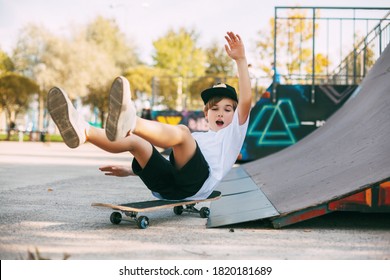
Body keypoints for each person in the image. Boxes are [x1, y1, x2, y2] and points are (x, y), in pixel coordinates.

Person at [47, 31, 252, 200]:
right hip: (166, 189)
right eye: (215, 109)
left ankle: (131, 121)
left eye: (227, 110)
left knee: (182, 132)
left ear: (235, 115)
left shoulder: (234, 133)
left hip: (196, 185)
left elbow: (245, 101)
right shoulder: (199, 139)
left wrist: (241, 60)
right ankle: (85, 132)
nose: (221, 114)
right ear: (206, 114)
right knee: (137, 144)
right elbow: (170, 165)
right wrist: (132, 171)